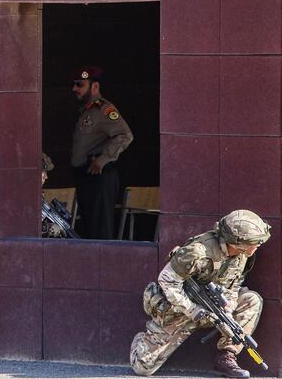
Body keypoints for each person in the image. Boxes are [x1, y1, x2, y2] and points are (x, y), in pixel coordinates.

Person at [130, 210, 272, 377]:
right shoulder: (198, 252)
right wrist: (193, 310)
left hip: (212, 308)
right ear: (238, 242)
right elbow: (167, 281)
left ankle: (227, 357)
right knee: (142, 367)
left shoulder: (243, 255)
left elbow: (234, 285)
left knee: (252, 300)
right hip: (181, 308)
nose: (257, 246)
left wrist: (228, 306)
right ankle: (148, 338)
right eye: (253, 242)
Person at [70, 66, 133, 239]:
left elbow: (125, 135)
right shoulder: (87, 111)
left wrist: (102, 160)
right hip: (86, 178)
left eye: (79, 84)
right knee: (89, 232)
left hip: (99, 177)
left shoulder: (104, 110)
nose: (74, 88)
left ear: (95, 87)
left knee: (100, 234)